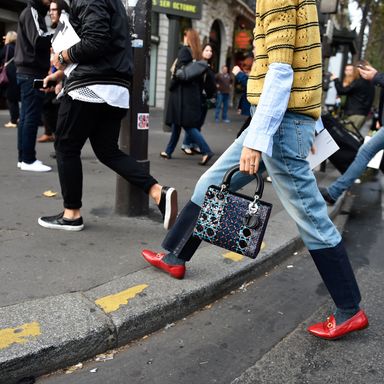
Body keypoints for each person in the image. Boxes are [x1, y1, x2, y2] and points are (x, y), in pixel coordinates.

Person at [142, 0, 368, 341]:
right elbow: (305, 66)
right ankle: (175, 254)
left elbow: (280, 71)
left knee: (311, 217)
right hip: (276, 121)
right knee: (212, 183)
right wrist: (310, 126)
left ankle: (350, 309)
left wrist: (259, 140)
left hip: (279, 127)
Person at [37, 0, 178, 231]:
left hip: (90, 87)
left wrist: (61, 57)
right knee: (108, 151)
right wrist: (61, 74)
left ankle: (71, 214)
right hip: (116, 89)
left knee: (65, 146)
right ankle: (157, 192)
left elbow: (96, 41)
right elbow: (104, 44)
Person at [320, 65, 384, 206]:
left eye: (349, 70)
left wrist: (376, 76)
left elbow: (343, 91)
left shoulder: (361, 82)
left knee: (364, 151)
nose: (347, 72)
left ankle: (334, 192)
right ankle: (334, 192)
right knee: (364, 151)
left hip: (354, 113)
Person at [161, 29, 215, 166]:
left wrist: (172, 85)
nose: (183, 38)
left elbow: (178, 73)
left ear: (188, 38)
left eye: (185, 36)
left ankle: (206, 150)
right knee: (177, 124)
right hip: (190, 96)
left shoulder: (185, 51)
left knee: (187, 125)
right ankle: (168, 151)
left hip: (182, 96)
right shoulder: (196, 55)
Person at [14, 0, 52, 172]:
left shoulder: (31, 12)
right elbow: (38, 40)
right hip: (32, 72)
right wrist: (58, 36)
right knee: (31, 116)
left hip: (26, 71)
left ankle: (23, 158)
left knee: (25, 117)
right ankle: (28, 159)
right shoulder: (32, 12)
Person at [37, 0, 70, 144]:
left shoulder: (66, 30)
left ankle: (60, 141)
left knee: (57, 113)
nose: (51, 12)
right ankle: (56, 138)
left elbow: (67, 58)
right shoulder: (56, 31)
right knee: (49, 109)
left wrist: (60, 80)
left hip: (65, 80)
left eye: (54, 10)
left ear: (63, 11)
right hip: (55, 75)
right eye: (50, 10)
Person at [180, 43, 217, 155]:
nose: (209, 52)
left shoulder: (209, 65)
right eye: (206, 50)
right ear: (201, 52)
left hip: (205, 99)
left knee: (199, 123)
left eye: (210, 51)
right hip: (198, 98)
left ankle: (193, 144)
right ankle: (186, 144)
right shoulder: (199, 65)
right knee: (193, 123)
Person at [331, 62, 375, 131]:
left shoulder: (359, 82)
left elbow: (342, 91)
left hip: (355, 114)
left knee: (349, 135)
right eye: (347, 70)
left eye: (351, 70)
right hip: (359, 113)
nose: (349, 72)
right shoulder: (370, 82)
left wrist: (336, 80)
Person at [1, 31, 19, 128]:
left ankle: (13, 121)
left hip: (8, 75)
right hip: (17, 73)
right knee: (15, 98)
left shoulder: (7, 48)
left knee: (10, 99)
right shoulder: (18, 47)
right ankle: (17, 118)